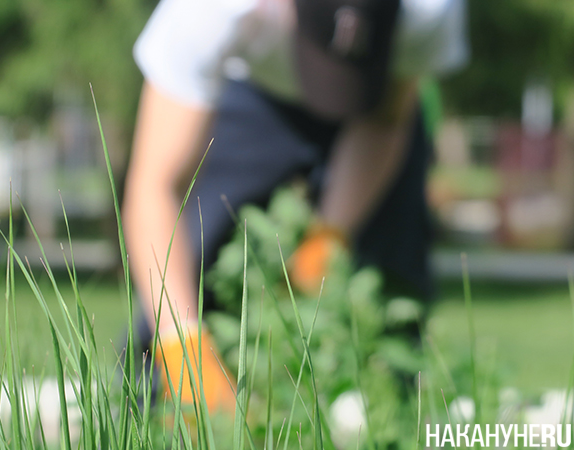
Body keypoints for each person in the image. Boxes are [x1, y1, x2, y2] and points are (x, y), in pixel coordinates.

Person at [124, 0, 468, 413]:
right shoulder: (212, 11)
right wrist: (181, 343)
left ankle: (388, 414)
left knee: (389, 278)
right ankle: (153, 407)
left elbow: (385, 120)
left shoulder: (430, 9)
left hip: (371, 101)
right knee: (199, 251)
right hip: (250, 86)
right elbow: (154, 184)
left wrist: (331, 233)